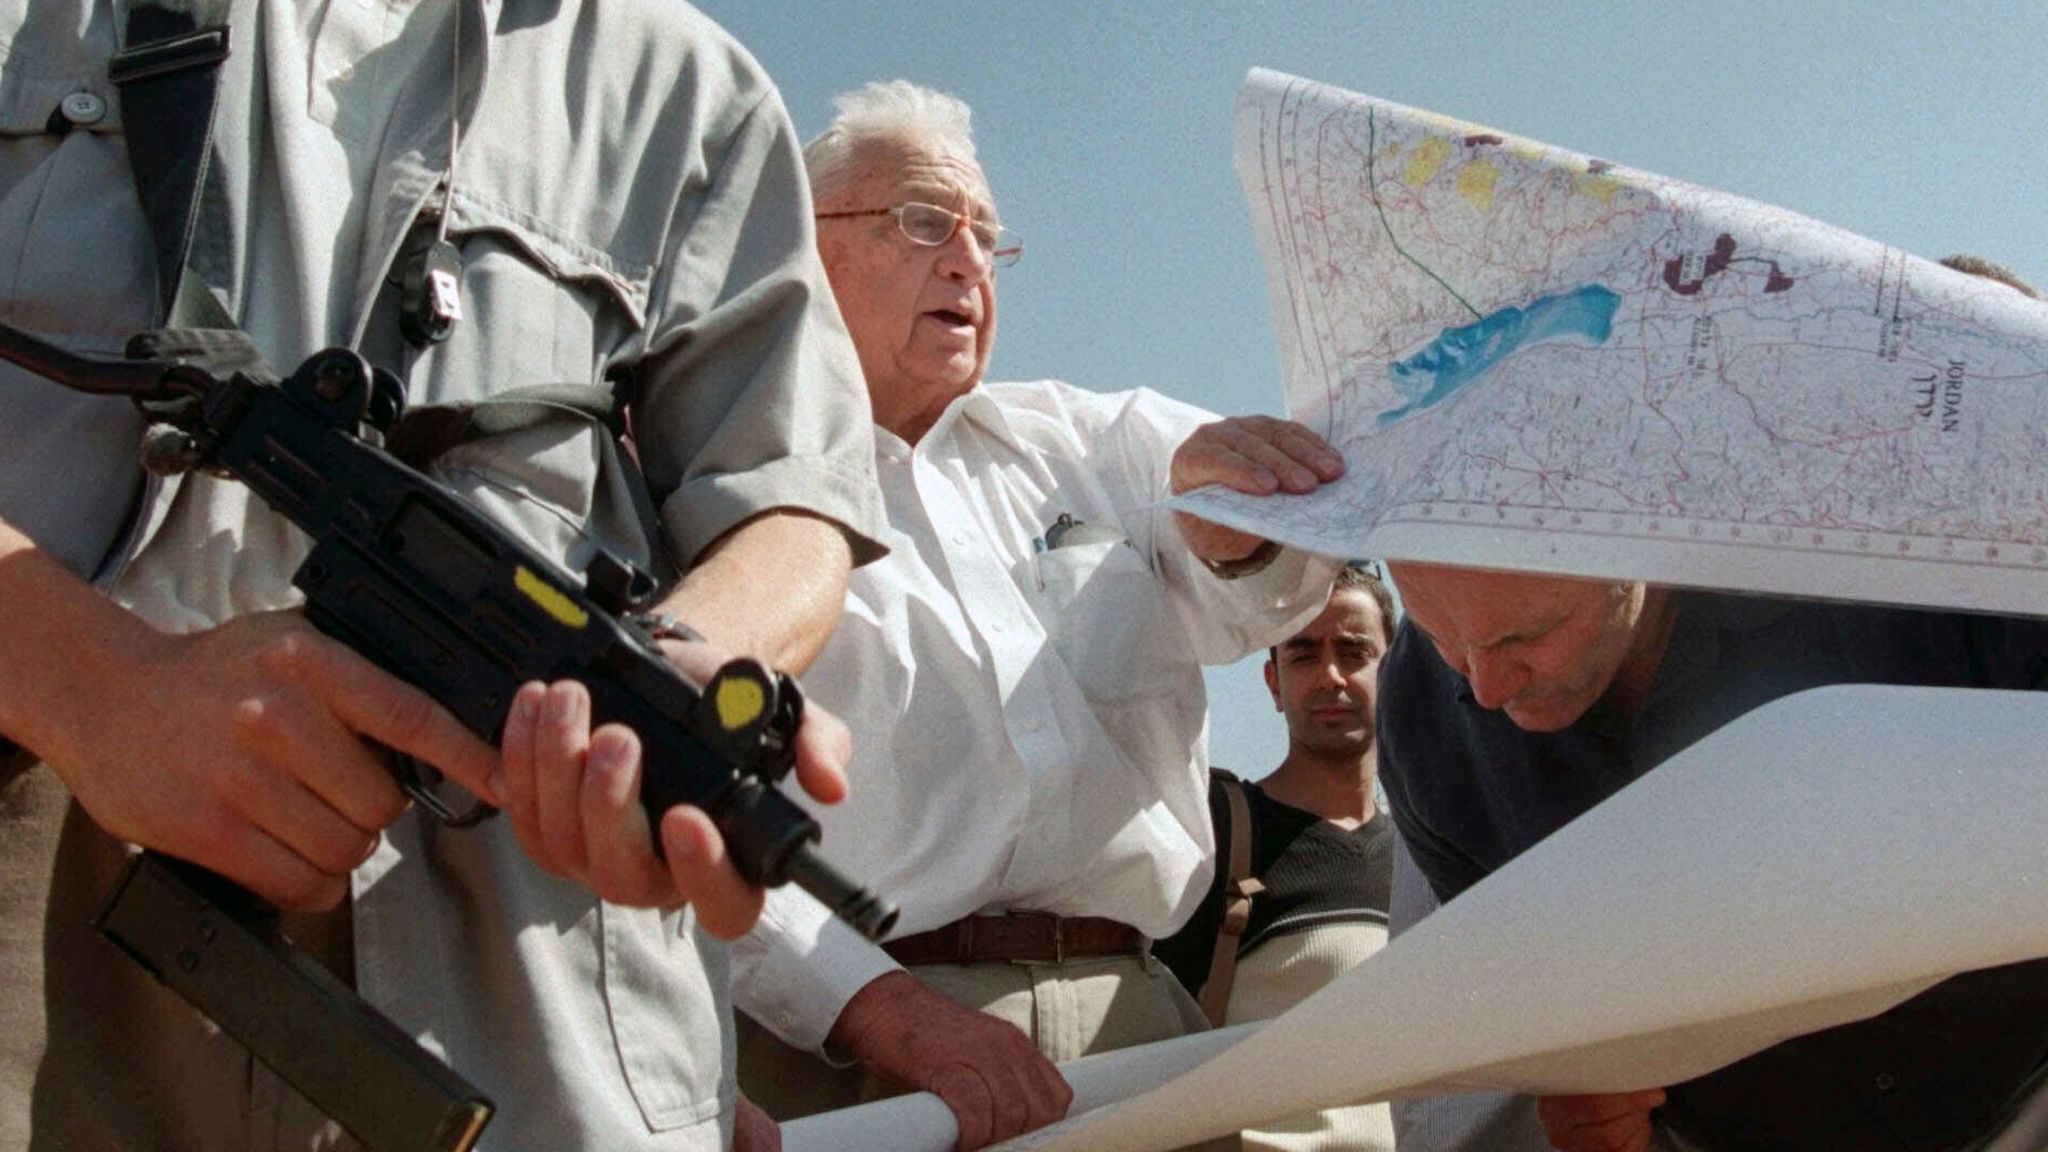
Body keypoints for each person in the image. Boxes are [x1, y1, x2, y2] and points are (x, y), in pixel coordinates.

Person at [0, 2, 886, 1150]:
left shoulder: (685, 84)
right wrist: (89, 687)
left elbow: (793, 502)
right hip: (43, 912)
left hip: (520, 979)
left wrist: (659, 680)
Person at [729, 80, 1344, 1151]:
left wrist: (1236, 529)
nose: (967, 260)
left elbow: (1266, 587)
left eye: (987, 237)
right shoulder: (716, 486)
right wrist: (879, 1012)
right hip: (862, 1072)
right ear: (799, 247)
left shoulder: (1091, 443)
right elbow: (666, 813)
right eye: (923, 222)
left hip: (1137, 1031)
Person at [1377, 554, 2048, 1152]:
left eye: (1526, 636)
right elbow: (1530, 999)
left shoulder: (1918, 560)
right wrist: (1584, 1089)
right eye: (1441, 638)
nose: (1487, 688)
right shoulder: (1421, 720)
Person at [1152, 563, 1398, 1152]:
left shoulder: (1432, 852)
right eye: (1304, 654)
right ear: (1273, 683)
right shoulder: (1216, 830)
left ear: (1397, 670)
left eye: (1354, 651)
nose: (1331, 677)